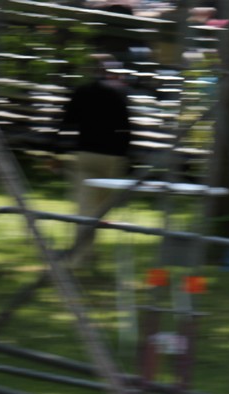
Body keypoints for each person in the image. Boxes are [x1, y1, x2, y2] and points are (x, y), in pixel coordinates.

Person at [57, 55, 133, 268]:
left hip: (87, 155)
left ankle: (81, 256)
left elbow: (66, 121)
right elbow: (127, 129)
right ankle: (87, 253)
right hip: (113, 158)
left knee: (86, 209)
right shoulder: (119, 95)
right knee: (100, 210)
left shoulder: (82, 92)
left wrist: (56, 150)